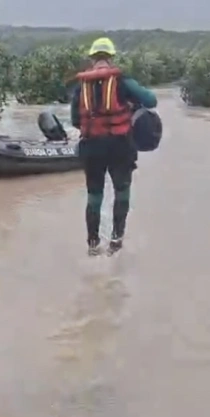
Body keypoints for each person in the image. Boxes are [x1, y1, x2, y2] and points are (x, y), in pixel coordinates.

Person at [70, 37, 158, 256]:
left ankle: (92, 243)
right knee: (122, 191)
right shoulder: (122, 80)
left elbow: (74, 120)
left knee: (94, 195)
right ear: (110, 57)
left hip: (91, 146)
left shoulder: (81, 87)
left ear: (92, 58)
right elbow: (151, 100)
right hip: (120, 145)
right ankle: (116, 241)